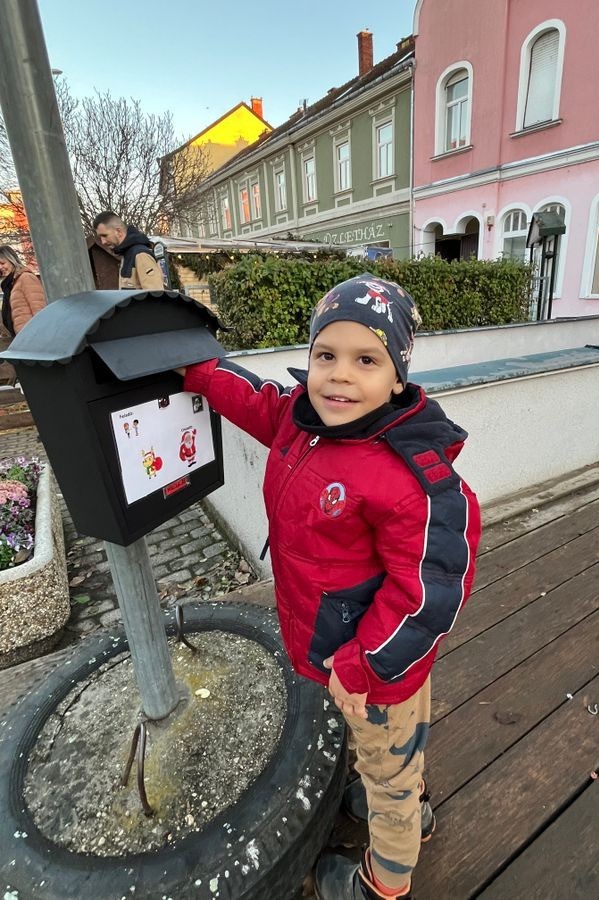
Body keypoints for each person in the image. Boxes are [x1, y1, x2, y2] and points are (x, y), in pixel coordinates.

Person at [177, 274, 481, 900]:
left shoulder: (408, 476)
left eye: (366, 359)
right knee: (391, 753)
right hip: (347, 646)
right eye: (326, 355)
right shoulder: (303, 419)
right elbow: (257, 398)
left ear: (397, 377)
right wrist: (198, 371)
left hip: (374, 663)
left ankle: (385, 880)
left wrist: (364, 664)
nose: (340, 375)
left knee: (387, 768)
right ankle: (403, 795)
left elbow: (432, 589)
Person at [92, 211, 164, 290]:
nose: (103, 241)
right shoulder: (127, 254)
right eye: (100, 237)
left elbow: (156, 296)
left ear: (118, 232)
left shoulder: (140, 255)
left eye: (105, 235)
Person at [0, 244, 46, 337]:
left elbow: (39, 310)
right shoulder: (10, 285)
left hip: (34, 337)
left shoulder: (25, 278)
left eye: (2, 263)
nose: (0, 267)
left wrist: (41, 336)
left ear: (12, 260)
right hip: (22, 339)